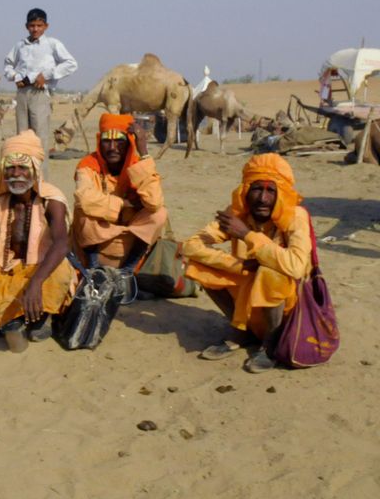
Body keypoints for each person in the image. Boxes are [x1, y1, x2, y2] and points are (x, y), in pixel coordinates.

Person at [182, 154, 313, 373]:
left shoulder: (295, 216)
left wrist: (248, 235)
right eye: (256, 189)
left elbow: (296, 266)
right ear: (245, 191)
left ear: (281, 194)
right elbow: (190, 246)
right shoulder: (238, 213)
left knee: (272, 272)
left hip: (288, 310)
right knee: (197, 265)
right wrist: (238, 265)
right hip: (249, 294)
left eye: (271, 191)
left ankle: (271, 344)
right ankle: (242, 331)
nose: (262, 198)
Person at [0, 130, 76, 341]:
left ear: (35, 170)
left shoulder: (51, 200)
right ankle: (17, 312)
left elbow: (62, 244)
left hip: (41, 274)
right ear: (3, 171)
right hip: (8, 275)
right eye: (10, 168)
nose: (15, 174)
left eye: (22, 168)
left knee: (62, 271)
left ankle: (34, 314)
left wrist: (36, 282)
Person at [72, 113, 168, 278]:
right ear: (99, 143)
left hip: (128, 241)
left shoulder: (139, 165)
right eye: (106, 141)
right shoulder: (87, 165)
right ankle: (94, 268)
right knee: (82, 211)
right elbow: (84, 198)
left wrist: (143, 151)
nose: (112, 148)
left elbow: (154, 202)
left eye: (119, 141)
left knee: (159, 214)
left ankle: (128, 270)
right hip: (96, 239)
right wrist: (123, 204)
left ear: (130, 143)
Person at [3, 8, 78, 179]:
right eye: (32, 25)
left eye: (39, 25)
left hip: (40, 94)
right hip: (22, 93)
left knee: (40, 139)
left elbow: (71, 64)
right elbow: (7, 64)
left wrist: (47, 75)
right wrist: (15, 76)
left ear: (46, 26)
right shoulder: (20, 46)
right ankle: (23, 179)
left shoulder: (52, 44)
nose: (35, 29)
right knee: (22, 138)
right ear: (26, 26)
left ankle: (41, 183)